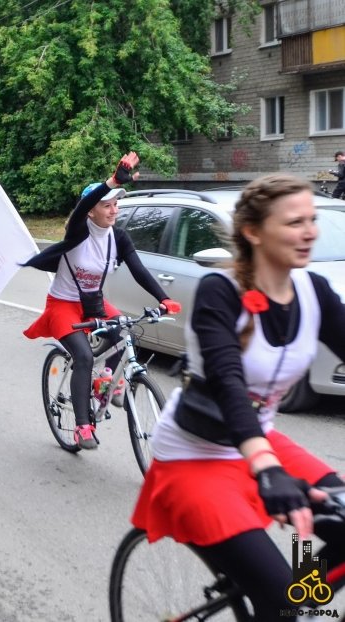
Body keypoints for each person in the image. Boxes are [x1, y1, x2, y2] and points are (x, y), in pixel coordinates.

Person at [129, 173, 345, 621]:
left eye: (312, 220)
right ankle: (289, 603)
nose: (310, 232)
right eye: (294, 223)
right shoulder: (219, 292)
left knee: (303, 589)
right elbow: (227, 382)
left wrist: (266, 460)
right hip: (196, 456)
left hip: (260, 442)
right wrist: (265, 466)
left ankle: (303, 597)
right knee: (282, 602)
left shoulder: (314, 291)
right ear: (253, 232)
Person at [21, 152, 181, 450]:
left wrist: (164, 298)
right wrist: (112, 181)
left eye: (116, 204)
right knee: (82, 356)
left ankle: (105, 378)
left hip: (93, 303)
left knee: (125, 331)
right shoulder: (79, 232)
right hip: (63, 304)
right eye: (106, 205)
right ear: (91, 212)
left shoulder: (118, 237)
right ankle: (82, 426)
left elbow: (138, 269)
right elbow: (81, 206)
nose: (113, 210)